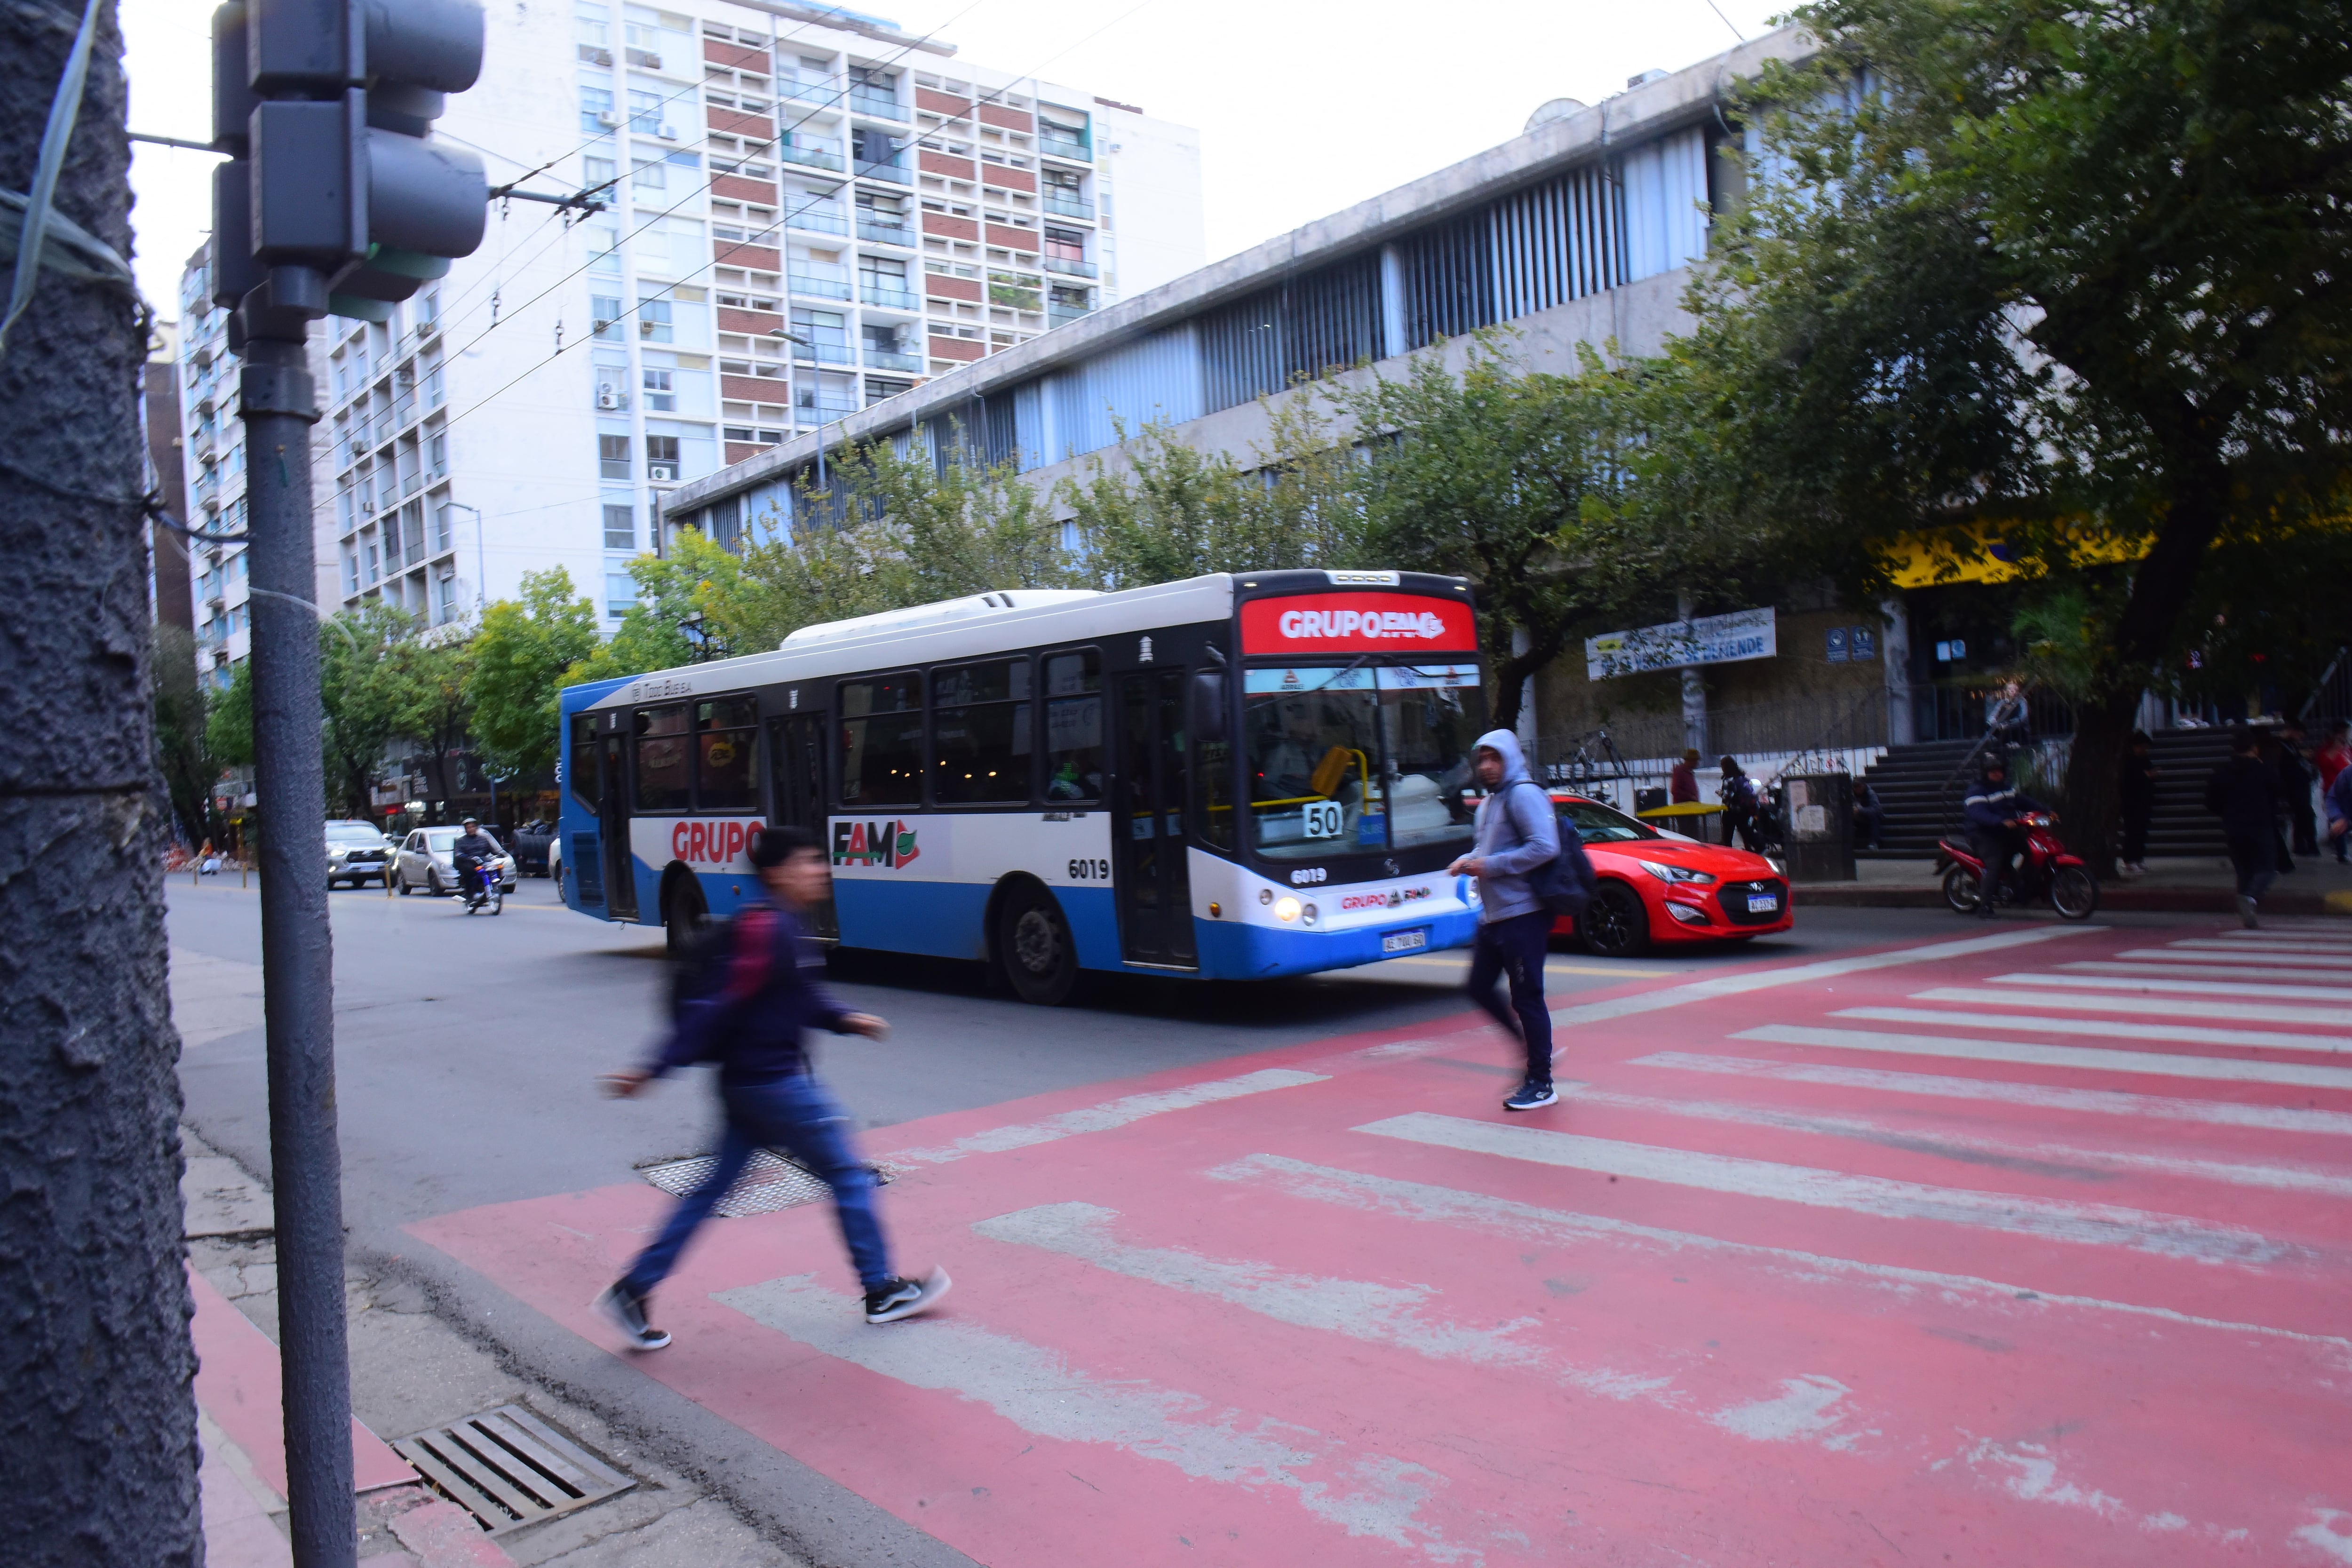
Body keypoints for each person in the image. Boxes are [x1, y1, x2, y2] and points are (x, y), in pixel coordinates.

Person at [596, 826, 949, 1348]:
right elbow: (717, 1006)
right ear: (778, 873)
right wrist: (653, 1068)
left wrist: (846, 1018)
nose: (820, 870)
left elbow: (796, 999)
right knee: (848, 1174)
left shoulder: (782, 925)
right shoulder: (770, 929)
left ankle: (633, 1290)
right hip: (774, 1086)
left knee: (711, 1191)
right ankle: (881, 1290)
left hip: (746, 1087)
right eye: (809, 861)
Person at [1448, 731, 1563, 1113]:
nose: (1486, 766)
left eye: (1494, 758)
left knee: (1527, 997)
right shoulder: (1489, 803)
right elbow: (1487, 848)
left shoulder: (1524, 794)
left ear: (1510, 758)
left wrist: (1489, 866)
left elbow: (1545, 846)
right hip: (1494, 916)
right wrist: (1468, 860)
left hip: (1523, 914)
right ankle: (1531, 1047)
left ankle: (1542, 1083)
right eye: (1481, 759)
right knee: (1478, 986)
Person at [2204, 727, 2281, 928]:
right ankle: (2251, 897)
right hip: (2259, 824)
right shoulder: (2263, 770)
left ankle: (2247, 910)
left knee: (2244, 870)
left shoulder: (2221, 772)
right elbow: (2276, 794)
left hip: (2233, 826)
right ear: (2254, 748)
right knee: (2267, 867)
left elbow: (2211, 802)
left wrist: (2226, 813)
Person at [1962, 755, 2046, 918]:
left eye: (1999, 770)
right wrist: (2000, 821)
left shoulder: (2006, 789)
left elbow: (2024, 802)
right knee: (1995, 864)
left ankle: (2022, 890)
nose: (1997, 773)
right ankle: (1985, 907)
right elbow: (1979, 814)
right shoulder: (1976, 791)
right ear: (1985, 772)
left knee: (2030, 851)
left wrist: (2047, 810)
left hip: (2006, 831)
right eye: (1992, 771)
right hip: (1983, 834)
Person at [2117, 732, 2160, 877]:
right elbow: (2129, 781)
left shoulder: (2145, 760)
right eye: (2143, 747)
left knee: (2141, 831)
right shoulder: (2129, 761)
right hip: (2132, 803)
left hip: (2144, 801)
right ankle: (2129, 859)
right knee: (2132, 832)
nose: (2145, 750)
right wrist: (2147, 776)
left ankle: (2139, 858)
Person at [2277, 717, 2317, 860]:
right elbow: (2286, 763)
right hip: (2293, 786)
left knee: (2302, 815)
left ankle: (2303, 844)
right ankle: (2307, 844)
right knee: (2305, 814)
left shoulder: (2291, 745)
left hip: (2301, 784)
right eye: (2299, 735)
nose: (2301, 738)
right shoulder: (2281, 746)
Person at [2319, 719, 2352, 864]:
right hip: (2336, 790)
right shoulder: (2328, 750)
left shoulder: (2347, 749)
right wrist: (2336, 748)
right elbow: (2325, 763)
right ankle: (2341, 852)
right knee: (2340, 820)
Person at [1718, 756, 1766, 852]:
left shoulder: (1729, 780)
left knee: (1727, 834)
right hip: (1745, 809)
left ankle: (1728, 852)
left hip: (1732, 810)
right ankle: (1757, 847)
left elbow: (1728, 797)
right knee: (1744, 830)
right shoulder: (1741, 777)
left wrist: (1720, 793)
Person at [452, 817, 499, 899]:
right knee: (469, 870)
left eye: (473, 827)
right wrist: (464, 856)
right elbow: (458, 853)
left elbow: (492, 850)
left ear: (476, 828)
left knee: (495, 867)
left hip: (482, 861)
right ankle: (471, 894)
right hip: (469, 862)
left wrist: (500, 854)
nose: (471, 829)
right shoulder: (461, 841)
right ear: (466, 829)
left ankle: (491, 888)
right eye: (469, 828)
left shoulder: (483, 839)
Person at [2326, 752, 2352, 866]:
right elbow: (2333, 798)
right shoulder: (2348, 773)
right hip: (2348, 815)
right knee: (2339, 826)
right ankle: (2342, 854)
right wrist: (2338, 817)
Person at [1852, 780, 1886, 852]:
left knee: (1874, 817)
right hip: (1861, 819)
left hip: (1871, 818)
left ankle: (1875, 843)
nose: (1857, 792)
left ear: (1862, 787)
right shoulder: (1853, 795)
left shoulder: (1871, 794)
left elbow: (1876, 810)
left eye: (1858, 789)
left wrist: (1860, 810)